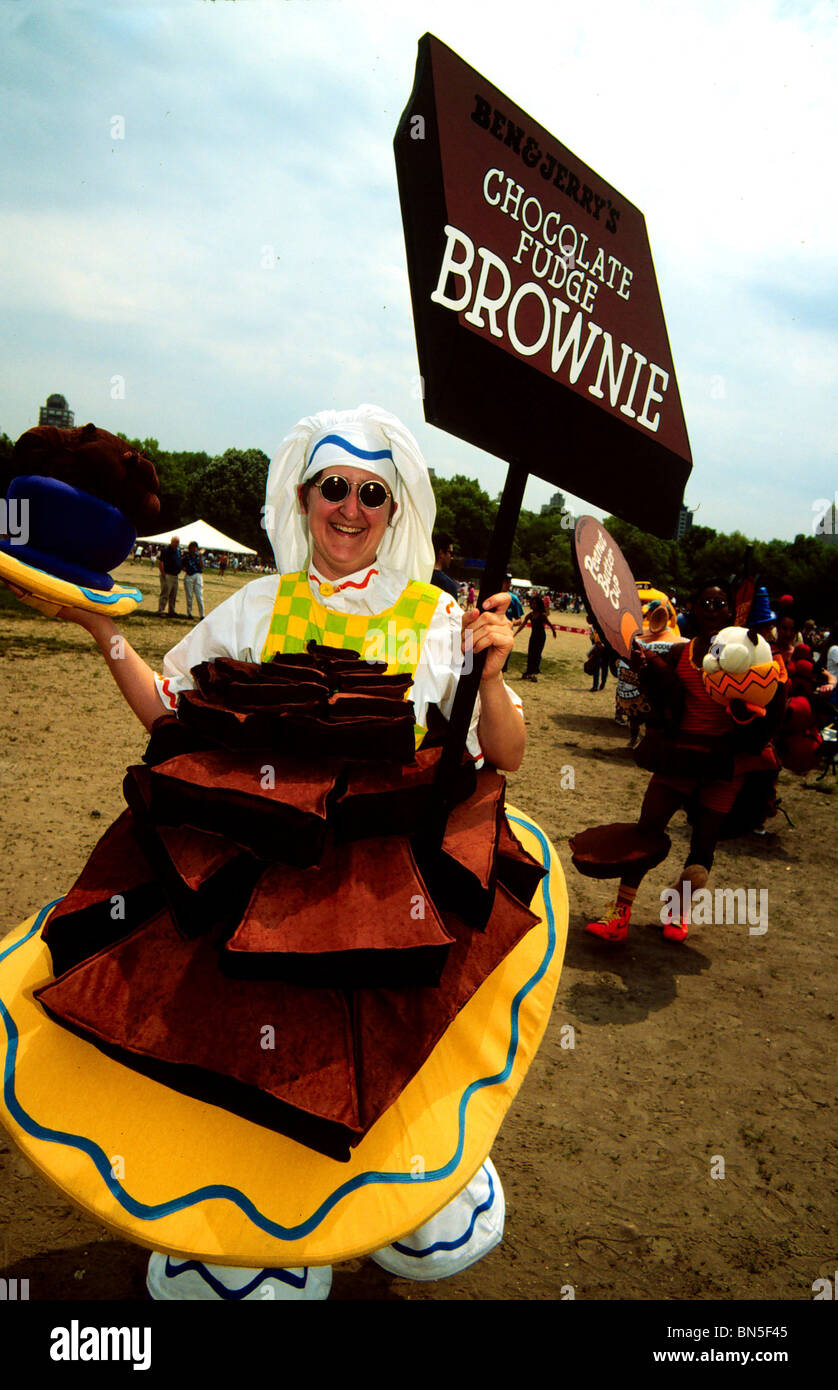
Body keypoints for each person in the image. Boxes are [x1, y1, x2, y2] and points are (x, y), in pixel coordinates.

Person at [8, 405, 546, 1302]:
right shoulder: (256, 604)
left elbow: (508, 754)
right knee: (249, 1058)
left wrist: (488, 674)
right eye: (333, 486)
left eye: (372, 492)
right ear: (303, 497)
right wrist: (105, 633)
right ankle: (247, 1234)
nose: (350, 507)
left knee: (381, 1050)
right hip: (256, 884)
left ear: (394, 508)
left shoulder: (440, 616)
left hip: (380, 891)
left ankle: (406, 1198)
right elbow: (172, 721)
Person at [584, 581, 785, 945]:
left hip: (725, 768)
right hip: (677, 759)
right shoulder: (679, 654)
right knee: (645, 833)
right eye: (705, 602)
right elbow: (659, 699)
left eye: (720, 603)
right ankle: (619, 915)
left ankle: (677, 910)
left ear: (730, 611)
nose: (712, 609)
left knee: (702, 848)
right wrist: (647, 670)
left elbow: (769, 707)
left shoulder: (752, 659)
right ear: (694, 607)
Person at [513, 592, 557, 681]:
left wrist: (553, 632)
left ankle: (534, 673)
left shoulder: (542, 615)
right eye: (531, 603)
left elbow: (550, 624)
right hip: (533, 636)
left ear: (538, 605)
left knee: (537, 654)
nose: (532, 605)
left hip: (541, 637)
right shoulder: (530, 615)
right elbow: (523, 624)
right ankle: (529, 671)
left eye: (534, 603)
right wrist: (516, 633)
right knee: (530, 654)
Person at [157, 534, 181, 615]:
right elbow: (161, 562)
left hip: (175, 575)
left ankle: (172, 610)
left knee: (173, 595)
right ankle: (161, 610)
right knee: (165, 593)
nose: (177, 544)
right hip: (167, 574)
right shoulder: (165, 550)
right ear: (172, 542)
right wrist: (163, 573)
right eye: (175, 542)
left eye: (178, 542)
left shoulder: (178, 551)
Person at [430, 530, 459, 599]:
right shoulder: (449, 586)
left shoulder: (418, 576)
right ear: (441, 553)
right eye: (451, 553)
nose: (452, 558)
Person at [182, 540, 205, 620]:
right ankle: (189, 613)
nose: (194, 549)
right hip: (189, 575)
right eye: (192, 548)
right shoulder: (186, 557)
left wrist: (200, 557)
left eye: (195, 548)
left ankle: (202, 614)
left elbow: (202, 566)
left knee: (199, 596)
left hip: (198, 575)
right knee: (189, 596)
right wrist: (186, 570)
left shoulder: (198, 556)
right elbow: (182, 566)